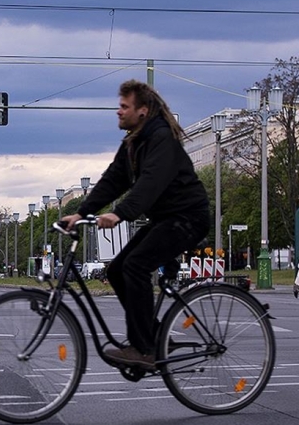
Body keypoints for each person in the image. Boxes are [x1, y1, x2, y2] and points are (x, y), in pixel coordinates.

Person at [59, 80, 210, 370]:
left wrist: (120, 213)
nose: (118, 111)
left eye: (124, 106)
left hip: (188, 218)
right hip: (167, 219)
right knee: (116, 269)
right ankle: (153, 336)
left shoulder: (161, 139)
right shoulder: (134, 142)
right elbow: (113, 180)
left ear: (142, 111)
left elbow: (150, 183)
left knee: (135, 266)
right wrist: (82, 212)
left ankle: (144, 349)